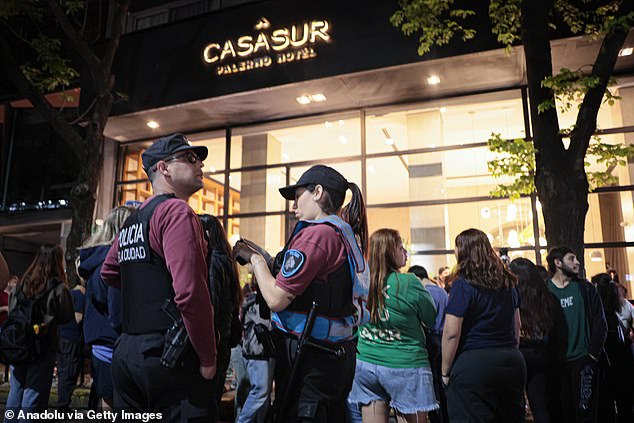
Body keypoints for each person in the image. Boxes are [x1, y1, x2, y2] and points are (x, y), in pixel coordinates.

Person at [233, 164, 368, 423]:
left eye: (298, 197)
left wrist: (255, 260)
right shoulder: (343, 233)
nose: (294, 205)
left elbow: (276, 298)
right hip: (337, 352)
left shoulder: (316, 235)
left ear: (317, 192)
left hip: (310, 358)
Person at [101, 133, 217, 421]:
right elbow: (190, 293)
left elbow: (109, 271)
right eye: (189, 158)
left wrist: (146, 293)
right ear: (163, 168)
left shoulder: (134, 219)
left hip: (128, 352)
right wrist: (208, 358)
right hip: (167, 355)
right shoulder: (177, 212)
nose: (199, 164)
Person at [349, 230, 438, 422]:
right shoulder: (409, 282)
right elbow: (431, 317)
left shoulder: (361, 282)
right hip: (406, 365)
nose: (404, 251)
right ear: (389, 253)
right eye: (400, 247)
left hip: (366, 364)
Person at [442, 228, 526, 423]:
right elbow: (517, 326)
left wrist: (445, 371)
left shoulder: (463, 285)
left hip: (474, 364)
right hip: (511, 361)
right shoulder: (508, 283)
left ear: (463, 250)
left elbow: (451, 332)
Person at [4, 244, 74, 417]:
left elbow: (11, 310)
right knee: (33, 394)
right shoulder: (58, 288)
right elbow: (66, 316)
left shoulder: (21, 285)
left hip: (18, 343)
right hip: (43, 345)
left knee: (16, 391)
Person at [80, 206, 135, 409]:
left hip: (100, 343)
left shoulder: (94, 259)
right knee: (112, 404)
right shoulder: (113, 260)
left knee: (105, 400)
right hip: (113, 343)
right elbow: (116, 311)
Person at [546, 246, 607, 423]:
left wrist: (592, 356)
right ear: (558, 263)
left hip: (584, 361)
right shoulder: (546, 291)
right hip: (559, 364)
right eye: (571, 258)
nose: (577, 262)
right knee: (563, 412)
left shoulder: (586, 289)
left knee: (585, 414)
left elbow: (600, 323)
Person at [199, 214, 243, 410]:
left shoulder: (214, 262)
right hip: (223, 340)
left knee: (205, 402)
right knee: (211, 400)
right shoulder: (226, 260)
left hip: (214, 340)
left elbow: (213, 306)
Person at [509, 258, 559, 423]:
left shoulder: (511, 295)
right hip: (540, 353)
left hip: (518, 352)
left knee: (515, 403)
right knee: (539, 404)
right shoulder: (546, 296)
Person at [408, 264, 448, 423]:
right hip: (443, 340)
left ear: (416, 278)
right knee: (441, 382)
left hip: (430, 341)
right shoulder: (442, 291)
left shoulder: (425, 292)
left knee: (432, 384)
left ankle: (436, 416)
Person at [592, 273, 634, 423]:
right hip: (623, 358)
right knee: (625, 401)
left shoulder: (597, 311)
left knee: (606, 402)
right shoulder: (622, 306)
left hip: (605, 361)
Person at [237, 279, 275, 423]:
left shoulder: (254, 300)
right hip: (257, 351)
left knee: (263, 395)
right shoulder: (256, 301)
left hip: (262, 351)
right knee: (260, 392)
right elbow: (265, 323)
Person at [54, 281, 85, 410]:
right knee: (69, 370)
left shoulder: (69, 294)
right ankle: (62, 405)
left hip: (62, 336)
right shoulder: (79, 296)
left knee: (63, 370)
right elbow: (78, 317)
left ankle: (62, 403)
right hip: (71, 338)